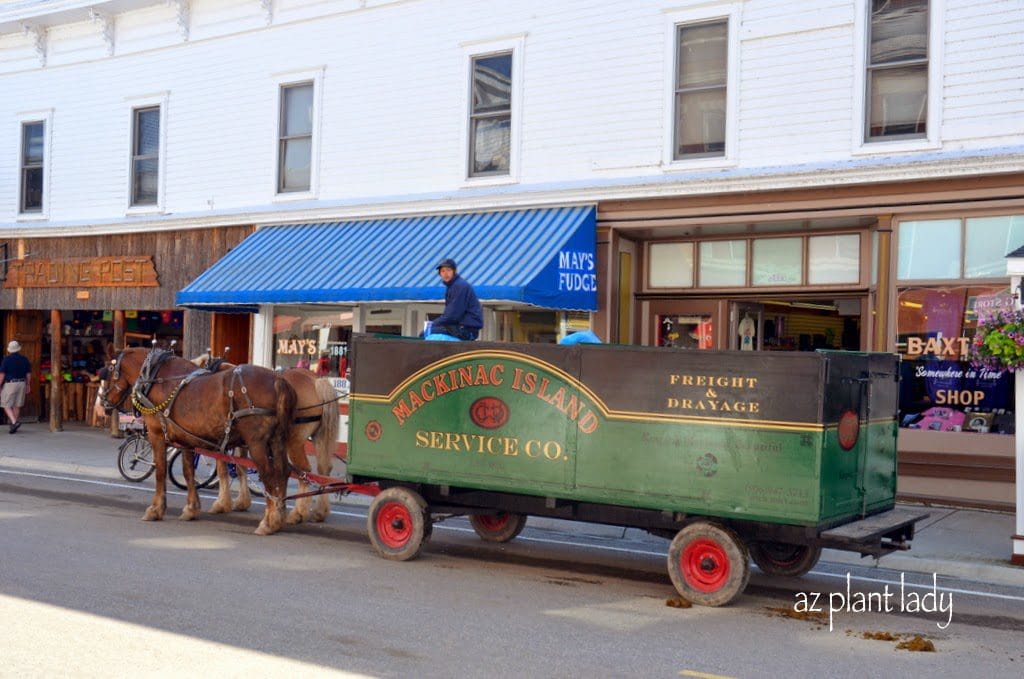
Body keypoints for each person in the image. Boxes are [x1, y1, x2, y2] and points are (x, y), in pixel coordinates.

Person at [430, 258, 483, 341]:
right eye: (443, 271)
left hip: (466, 330)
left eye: (448, 270)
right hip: (460, 327)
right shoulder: (452, 286)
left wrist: (433, 324)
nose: (445, 274)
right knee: (430, 331)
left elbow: (453, 315)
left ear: (454, 271)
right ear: (439, 273)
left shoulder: (459, 286)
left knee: (429, 332)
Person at [0, 340, 32, 434]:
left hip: (10, 384)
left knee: (5, 404)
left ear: (9, 350)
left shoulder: (6, 360)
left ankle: (14, 422)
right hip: (22, 383)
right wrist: (28, 385)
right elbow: (28, 374)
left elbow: (2, 375)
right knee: (17, 405)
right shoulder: (24, 359)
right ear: (18, 349)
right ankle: (13, 425)